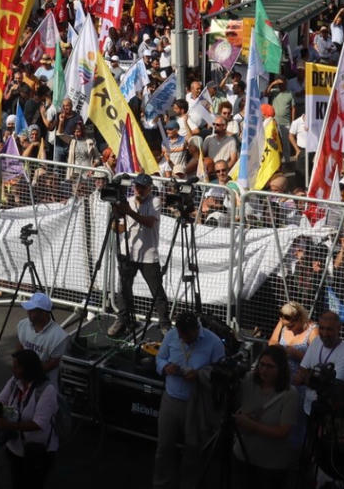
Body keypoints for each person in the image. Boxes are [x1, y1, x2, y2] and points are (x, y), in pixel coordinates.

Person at [153, 311, 225, 489]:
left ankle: (189, 485)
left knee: (193, 449)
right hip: (170, 399)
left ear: (196, 329)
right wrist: (165, 367)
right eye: (180, 335)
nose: (183, 339)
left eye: (186, 336)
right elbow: (160, 358)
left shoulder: (214, 343)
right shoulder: (171, 335)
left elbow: (221, 373)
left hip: (197, 403)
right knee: (164, 447)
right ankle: (161, 484)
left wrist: (199, 375)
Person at [107, 173, 169, 337]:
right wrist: (115, 219)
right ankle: (122, 319)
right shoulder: (128, 201)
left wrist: (129, 211)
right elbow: (121, 228)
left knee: (157, 291)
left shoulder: (155, 202)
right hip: (128, 252)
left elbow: (149, 223)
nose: (138, 190)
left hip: (148, 255)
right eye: (137, 186)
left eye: (142, 187)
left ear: (149, 188)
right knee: (124, 289)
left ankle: (165, 323)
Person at [232, 344, 300, 488]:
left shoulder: (290, 394)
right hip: (243, 455)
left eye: (270, 366)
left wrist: (252, 425)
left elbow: (283, 432)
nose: (264, 370)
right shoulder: (249, 380)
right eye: (262, 365)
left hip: (270, 465)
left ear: (281, 369)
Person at [0, 349, 59, 489]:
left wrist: (7, 423)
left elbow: (38, 423)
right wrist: (0, 409)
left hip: (37, 452)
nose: (13, 369)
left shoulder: (47, 390)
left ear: (28, 369)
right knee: (17, 482)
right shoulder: (14, 381)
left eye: (17, 367)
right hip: (15, 449)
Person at [294, 311, 344, 417]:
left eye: (329, 329)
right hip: (308, 408)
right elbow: (299, 375)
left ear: (339, 329)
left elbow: (334, 389)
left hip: (330, 414)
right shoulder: (317, 341)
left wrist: (309, 377)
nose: (324, 333)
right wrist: (319, 381)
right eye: (322, 328)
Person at [16, 292, 68, 388]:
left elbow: (52, 364)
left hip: (45, 383)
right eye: (28, 309)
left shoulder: (60, 337)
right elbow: (19, 347)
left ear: (44, 313)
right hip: (23, 377)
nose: (28, 312)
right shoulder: (22, 324)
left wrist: (26, 374)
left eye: (32, 310)